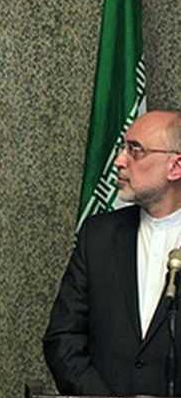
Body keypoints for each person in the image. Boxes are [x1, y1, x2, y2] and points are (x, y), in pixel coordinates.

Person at [44, 110, 181, 395]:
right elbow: (63, 338)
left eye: (135, 150)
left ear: (175, 166)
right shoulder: (98, 236)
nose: (119, 160)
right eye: (123, 148)